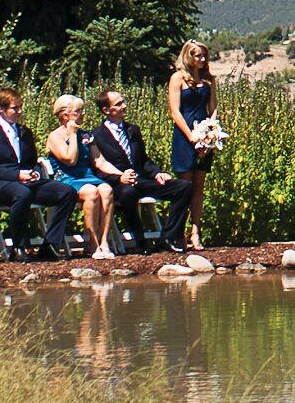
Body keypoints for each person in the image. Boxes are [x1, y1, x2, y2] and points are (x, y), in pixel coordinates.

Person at [0, 87, 65, 257]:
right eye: (15, 108)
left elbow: (32, 162)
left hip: (27, 182)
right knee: (21, 193)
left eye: (20, 107)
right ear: (1, 109)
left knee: (66, 192)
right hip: (0, 184)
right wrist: (16, 176)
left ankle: (50, 244)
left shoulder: (25, 132)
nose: (20, 111)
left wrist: (35, 173)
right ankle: (18, 247)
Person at [41, 96, 116, 259]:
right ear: (65, 115)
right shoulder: (55, 137)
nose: (83, 113)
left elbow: (99, 161)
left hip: (87, 176)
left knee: (106, 189)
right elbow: (70, 159)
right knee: (91, 192)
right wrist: (73, 135)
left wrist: (121, 173)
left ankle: (105, 242)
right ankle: (92, 243)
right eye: (78, 111)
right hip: (67, 179)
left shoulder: (86, 135)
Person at [162, 42, 220, 253]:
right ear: (188, 56)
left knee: (198, 186)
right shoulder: (177, 78)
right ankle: (178, 233)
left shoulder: (209, 80)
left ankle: (196, 231)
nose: (202, 60)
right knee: (183, 187)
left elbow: (213, 109)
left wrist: (209, 135)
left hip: (204, 133)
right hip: (185, 134)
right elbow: (175, 111)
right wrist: (193, 137)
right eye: (197, 56)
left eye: (204, 56)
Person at [88, 89, 159, 253]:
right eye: (119, 104)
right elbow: (97, 168)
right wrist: (118, 178)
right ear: (106, 110)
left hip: (140, 179)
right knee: (128, 193)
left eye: (123, 102)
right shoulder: (97, 135)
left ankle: (169, 237)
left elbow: (144, 159)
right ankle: (140, 241)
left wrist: (157, 173)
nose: (124, 106)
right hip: (119, 184)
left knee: (182, 187)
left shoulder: (133, 130)